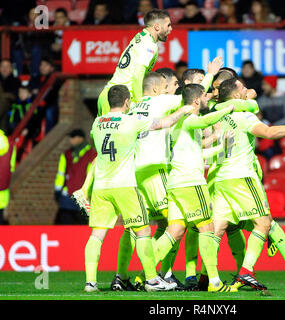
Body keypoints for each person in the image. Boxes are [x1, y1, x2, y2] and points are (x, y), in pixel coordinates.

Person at [84, 84, 192, 292]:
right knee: (142, 231)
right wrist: (184, 109)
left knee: (96, 235)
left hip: (100, 187)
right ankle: (152, 279)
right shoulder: (131, 121)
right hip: (124, 185)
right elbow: (166, 122)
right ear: (127, 102)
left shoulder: (97, 123)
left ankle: (90, 282)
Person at [211, 77, 285, 292]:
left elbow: (250, 96)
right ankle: (250, 271)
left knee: (218, 229)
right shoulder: (244, 116)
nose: (248, 88)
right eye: (243, 86)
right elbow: (268, 133)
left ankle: (213, 279)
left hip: (221, 178)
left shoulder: (215, 113)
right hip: (241, 177)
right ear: (236, 95)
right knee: (264, 224)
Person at [72, 9, 173, 211]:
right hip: (121, 97)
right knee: (115, 148)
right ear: (157, 26)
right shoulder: (149, 45)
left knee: (107, 148)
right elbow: (137, 75)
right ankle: (89, 191)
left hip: (110, 94)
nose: (171, 29)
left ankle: (86, 190)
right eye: (168, 25)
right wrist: (138, 102)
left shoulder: (140, 37)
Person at [152, 83, 237, 293]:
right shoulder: (189, 120)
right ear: (197, 100)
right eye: (205, 95)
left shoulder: (179, 125)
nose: (208, 97)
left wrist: (221, 146)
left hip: (175, 183)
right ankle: (215, 282)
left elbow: (196, 155)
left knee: (175, 230)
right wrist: (227, 109)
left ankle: (144, 275)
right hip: (190, 182)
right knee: (207, 228)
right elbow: (206, 119)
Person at [54, 129, 96, 225]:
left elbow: (92, 176)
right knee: (65, 225)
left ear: (80, 138)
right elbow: (61, 174)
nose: (70, 140)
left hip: (84, 197)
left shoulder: (92, 154)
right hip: (67, 196)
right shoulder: (67, 154)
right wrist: (58, 191)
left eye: (73, 137)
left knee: (83, 226)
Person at [29, 57, 63, 134]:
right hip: (37, 105)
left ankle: (49, 135)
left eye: (46, 65)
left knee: (49, 112)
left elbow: (51, 93)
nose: (42, 67)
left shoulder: (55, 78)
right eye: (41, 65)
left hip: (50, 104)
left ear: (52, 68)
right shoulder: (36, 78)